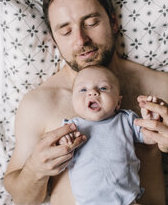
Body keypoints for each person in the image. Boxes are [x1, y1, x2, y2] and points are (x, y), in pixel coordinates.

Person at [3, 0, 168, 205]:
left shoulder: (159, 88)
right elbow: (23, 200)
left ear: (113, 22)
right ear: (55, 41)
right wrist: (35, 170)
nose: (81, 39)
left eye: (91, 23)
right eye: (66, 31)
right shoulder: (40, 103)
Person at [58, 65, 160, 205]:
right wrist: (63, 142)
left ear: (118, 102)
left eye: (103, 88)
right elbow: (60, 156)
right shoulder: (71, 127)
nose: (93, 92)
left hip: (127, 200)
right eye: (83, 89)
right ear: (73, 101)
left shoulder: (126, 120)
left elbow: (150, 138)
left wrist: (152, 121)